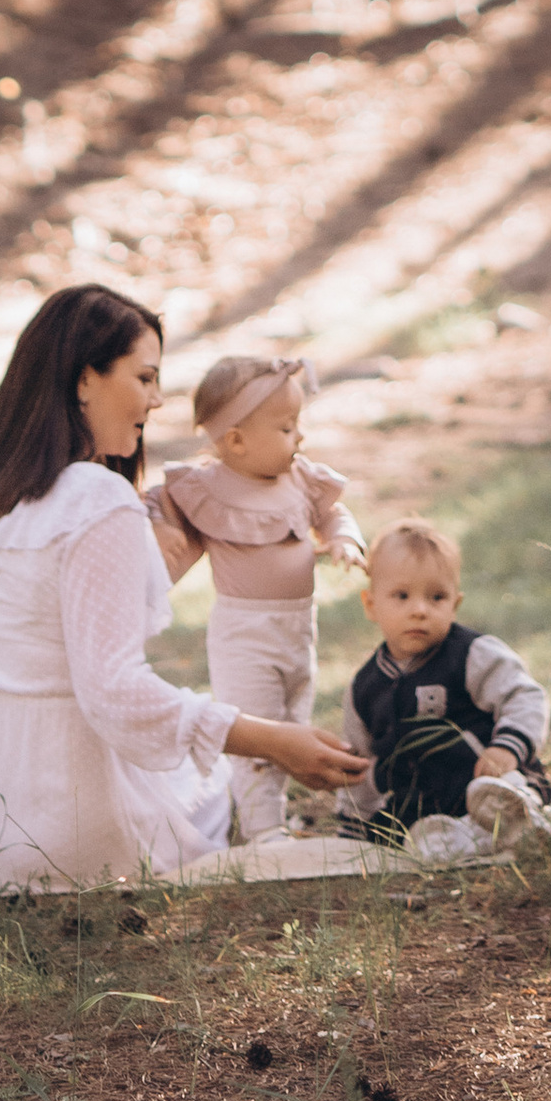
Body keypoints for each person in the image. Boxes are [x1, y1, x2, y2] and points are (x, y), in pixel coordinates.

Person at [0, 284, 370, 896]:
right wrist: (274, 741)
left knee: (157, 768)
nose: (156, 397)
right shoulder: (96, 499)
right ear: (83, 379)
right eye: (144, 377)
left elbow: (50, 619)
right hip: (63, 818)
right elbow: (115, 692)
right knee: (205, 794)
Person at [148, 349, 366, 843]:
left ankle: (275, 814)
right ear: (236, 441)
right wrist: (161, 528)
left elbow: (334, 514)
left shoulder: (302, 479)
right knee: (257, 729)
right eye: (286, 427)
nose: (300, 436)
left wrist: (344, 538)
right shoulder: (207, 489)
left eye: (297, 423)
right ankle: (263, 828)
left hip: (297, 629)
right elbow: (151, 503)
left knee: (293, 720)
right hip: (245, 634)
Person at [336, 518, 551, 856]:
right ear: (371, 605)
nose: (420, 610)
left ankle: (516, 816)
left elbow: (524, 696)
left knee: (502, 790)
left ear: (455, 604)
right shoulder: (364, 687)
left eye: (437, 597)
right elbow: (360, 762)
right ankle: (453, 840)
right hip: (421, 803)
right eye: (402, 596)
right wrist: (353, 824)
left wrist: (508, 749)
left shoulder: (472, 654)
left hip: (486, 780)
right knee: (402, 833)